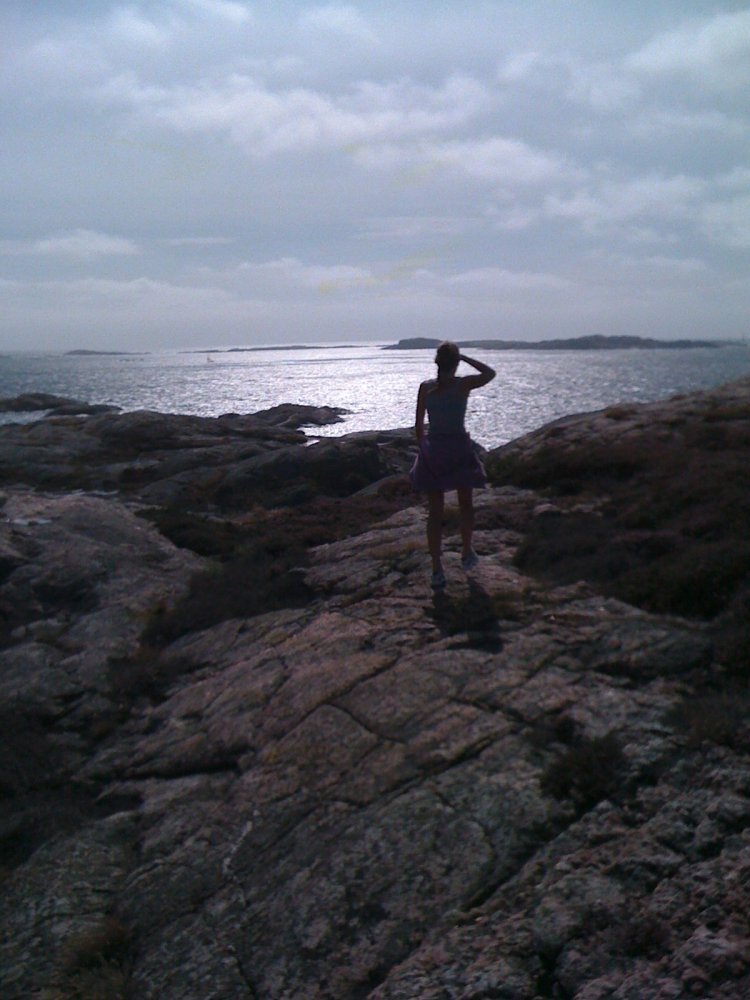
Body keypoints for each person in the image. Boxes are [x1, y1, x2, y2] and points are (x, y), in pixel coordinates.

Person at [410, 341, 496, 589]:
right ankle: (466, 552)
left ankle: (437, 569)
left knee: (435, 513)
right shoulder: (463, 384)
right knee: (465, 506)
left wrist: (424, 450)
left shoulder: (426, 387)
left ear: (437, 362)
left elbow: (418, 427)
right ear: (455, 363)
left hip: (435, 450)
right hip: (458, 448)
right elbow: (489, 373)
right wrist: (465, 357)